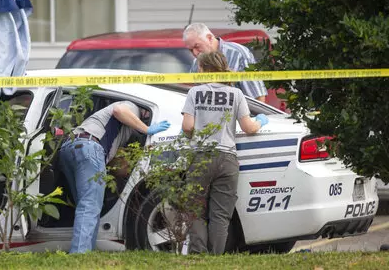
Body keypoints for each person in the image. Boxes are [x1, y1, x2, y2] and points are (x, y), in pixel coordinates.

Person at [181, 50, 269, 255]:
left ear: (203, 69)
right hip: (227, 159)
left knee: (195, 211)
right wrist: (260, 122)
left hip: (200, 157)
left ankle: (198, 256)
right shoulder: (236, 94)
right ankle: (216, 258)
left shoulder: (195, 92)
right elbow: (248, 127)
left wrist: (193, 134)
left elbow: (187, 126)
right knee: (220, 215)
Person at [58, 101, 171, 253]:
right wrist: (148, 129)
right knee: (89, 205)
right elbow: (119, 110)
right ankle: (79, 254)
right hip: (90, 147)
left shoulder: (110, 120)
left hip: (69, 147)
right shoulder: (132, 106)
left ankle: (85, 250)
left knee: (84, 203)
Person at [183, 23, 268, 103]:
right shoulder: (196, 63)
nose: (194, 53)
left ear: (209, 38)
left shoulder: (238, 54)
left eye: (197, 46)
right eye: (190, 50)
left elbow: (257, 97)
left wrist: (256, 118)